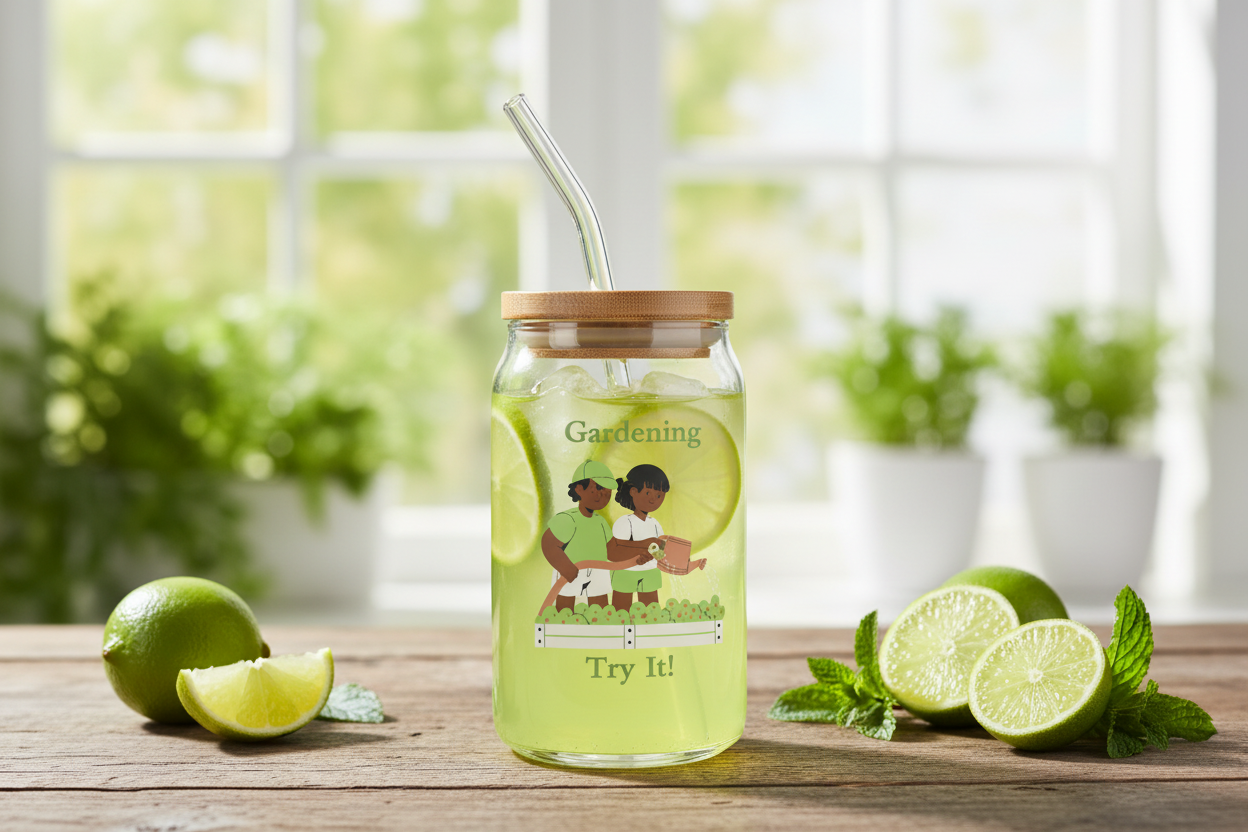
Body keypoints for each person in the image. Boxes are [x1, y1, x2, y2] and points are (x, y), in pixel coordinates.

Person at [541, 460, 620, 612]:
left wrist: (640, 551)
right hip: (570, 571)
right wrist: (565, 567)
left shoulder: (600, 522)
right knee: (565, 608)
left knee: (600, 608)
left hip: (597, 572)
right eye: (598, 487)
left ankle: (601, 632)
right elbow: (549, 543)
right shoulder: (568, 519)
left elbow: (612, 550)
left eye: (608, 490)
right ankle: (564, 630)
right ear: (579, 489)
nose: (604, 493)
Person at [607, 464, 670, 612]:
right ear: (634, 492)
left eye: (659, 496)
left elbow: (660, 551)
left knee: (651, 611)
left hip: (649, 573)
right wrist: (639, 553)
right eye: (648, 493)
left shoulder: (655, 524)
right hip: (625, 572)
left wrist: (654, 555)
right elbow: (616, 550)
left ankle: (649, 633)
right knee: (621, 611)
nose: (654, 499)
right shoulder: (625, 522)